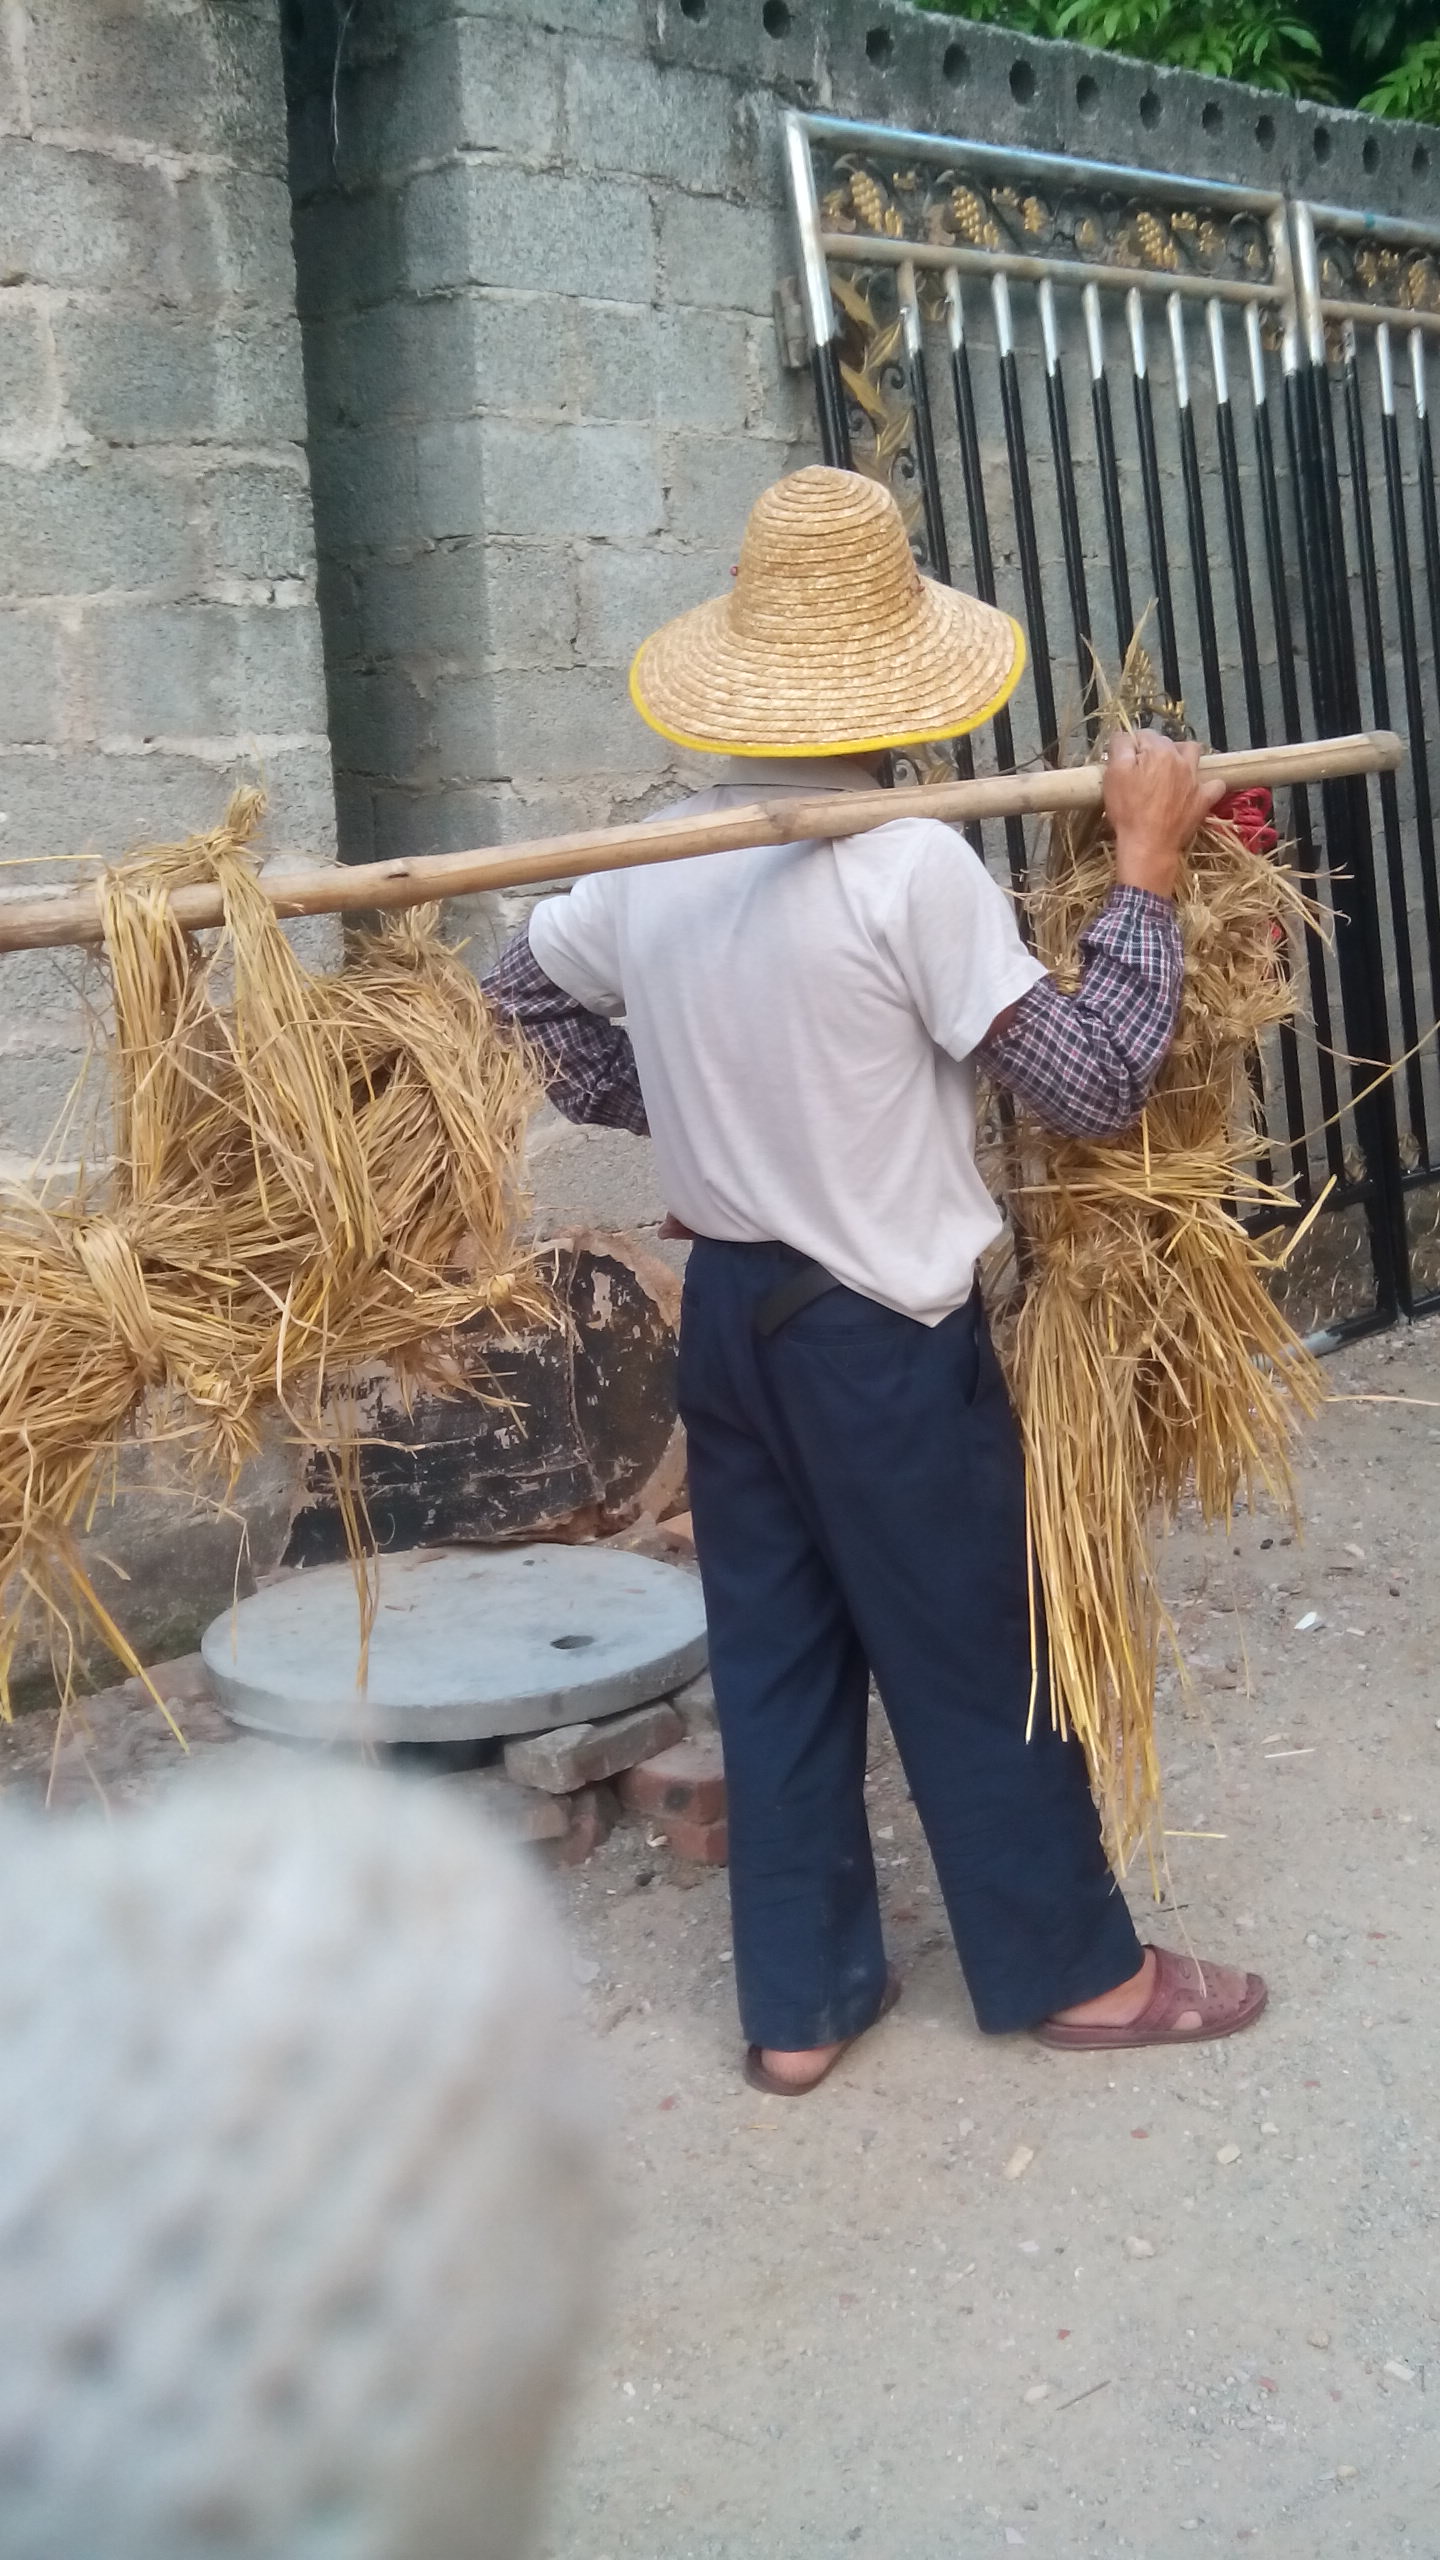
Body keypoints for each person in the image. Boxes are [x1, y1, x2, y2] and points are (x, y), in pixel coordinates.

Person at [482, 465, 1267, 2093]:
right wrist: (1144, 870)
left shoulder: (650, 859)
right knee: (976, 1646)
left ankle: (802, 2007)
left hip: (731, 1329)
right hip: (878, 1342)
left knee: (774, 1662)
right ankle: (1084, 1976)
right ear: (896, 676)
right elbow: (1094, 1082)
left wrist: (687, 1102)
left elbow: (520, 1001)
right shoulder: (910, 866)